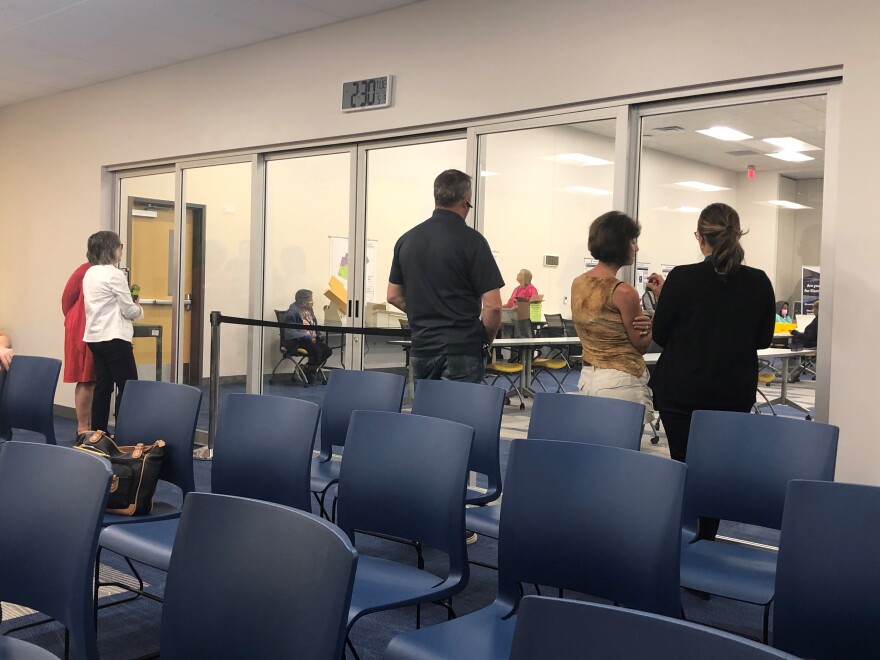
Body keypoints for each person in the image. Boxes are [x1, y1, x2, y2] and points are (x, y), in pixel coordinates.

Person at [646, 202, 775, 466]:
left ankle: (683, 508)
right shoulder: (759, 281)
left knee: (682, 465)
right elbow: (763, 339)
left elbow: (660, 334)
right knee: (722, 466)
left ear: (700, 237)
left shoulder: (681, 278)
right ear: (737, 235)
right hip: (733, 389)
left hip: (681, 391)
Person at [387, 169, 504, 383]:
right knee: (457, 415)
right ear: (465, 201)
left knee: (427, 413)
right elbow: (494, 306)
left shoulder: (406, 240)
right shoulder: (473, 241)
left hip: (422, 347)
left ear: (436, 198)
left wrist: (425, 313)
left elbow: (393, 295)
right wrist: (485, 340)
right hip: (462, 348)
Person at [570, 212, 655, 422]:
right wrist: (654, 323)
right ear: (619, 244)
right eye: (632, 241)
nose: (636, 248)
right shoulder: (624, 292)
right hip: (621, 381)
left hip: (589, 378)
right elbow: (642, 344)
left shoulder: (578, 283)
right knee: (623, 451)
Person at [82, 231, 143, 432]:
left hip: (95, 337)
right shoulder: (115, 274)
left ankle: (99, 433)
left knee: (103, 387)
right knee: (129, 387)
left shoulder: (90, 273)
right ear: (111, 249)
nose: (120, 251)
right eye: (119, 247)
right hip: (115, 338)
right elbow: (129, 310)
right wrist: (139, 308)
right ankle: (125, 432)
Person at [62, 261, 96, 434]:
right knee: (86, 378)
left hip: (97, 330)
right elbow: (66, 300)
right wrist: (78, 321)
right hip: (80, 330)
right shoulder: (84, 271)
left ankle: (91, 427)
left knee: (95, 380)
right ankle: (83, 428)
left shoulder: (108, 272)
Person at [282, 289, 332, 385]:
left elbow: (314, 324)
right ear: (303, 300)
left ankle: (307, 368)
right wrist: (306, 335)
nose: (312, 301)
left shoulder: (309, 310)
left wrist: (318, 334)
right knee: (317, 351)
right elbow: (290, 332)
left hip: (311, 340)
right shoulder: (293, 312)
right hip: (298, 341)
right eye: (310, 299)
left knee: (327, 350)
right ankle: (310, 373)